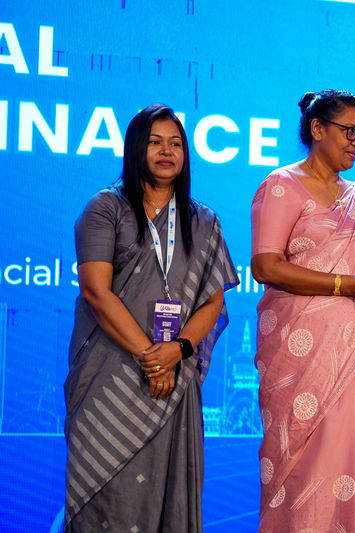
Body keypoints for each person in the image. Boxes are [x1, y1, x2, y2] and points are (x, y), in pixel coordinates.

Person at [64, 104, 239, 532]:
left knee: (171, 497)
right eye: (155, 142)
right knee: (108, 499)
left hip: (175, 376)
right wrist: (152, 358)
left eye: (176, 143)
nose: (167, 151)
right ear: (135, 149)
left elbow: (212, 302)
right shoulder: (105, 208)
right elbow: (96, 291)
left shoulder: (203, 221)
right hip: (111, 375)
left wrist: (177, 351)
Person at [251, 89, 355, 532]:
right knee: (300, 471)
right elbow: (265, 265)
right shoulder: (282, 185)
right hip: (297, 362)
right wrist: (345, 285)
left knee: (344, 461)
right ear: (317, 129)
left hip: (346, 361)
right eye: (348, 131)